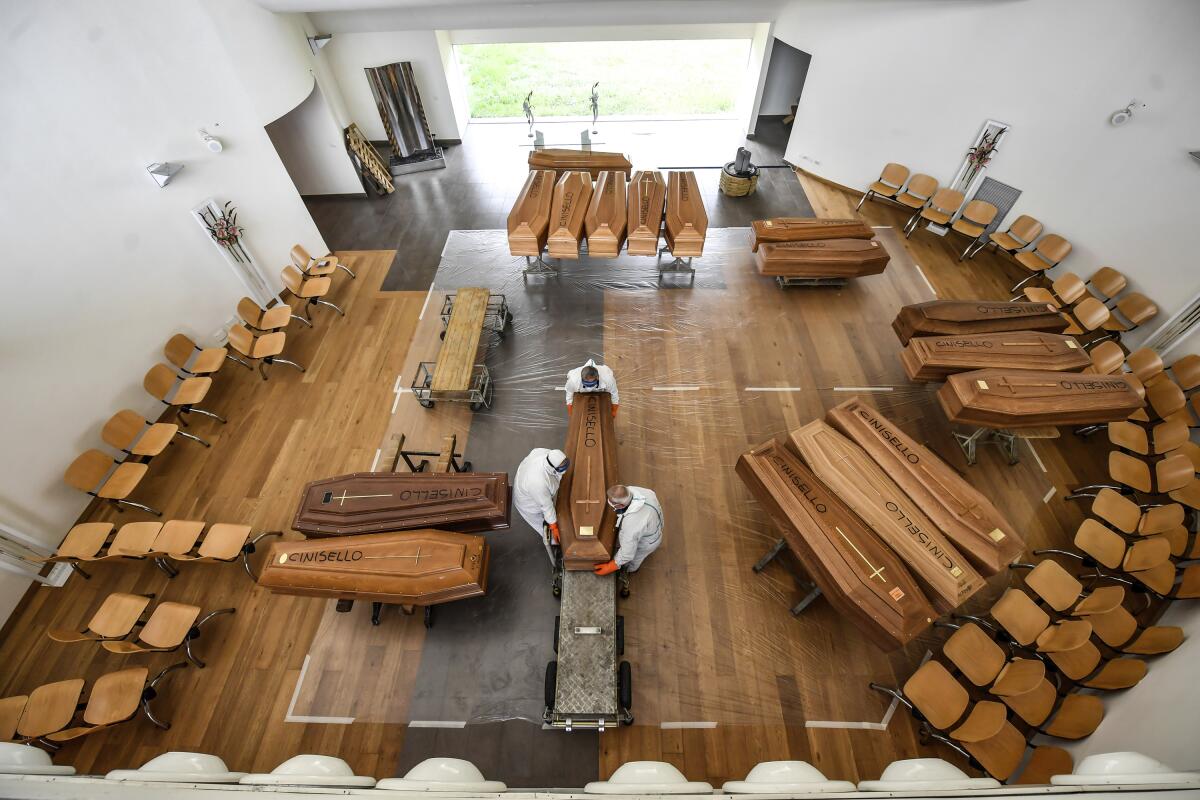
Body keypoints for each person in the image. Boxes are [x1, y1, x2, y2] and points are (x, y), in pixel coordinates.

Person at [513, 448, 570, 566]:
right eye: (562, 468)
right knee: (544, 525)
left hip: (529, 484)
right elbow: (546, 506)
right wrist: (554, 526)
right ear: (552, 468)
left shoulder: (544, 453)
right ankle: (557, 544)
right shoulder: (538, 482)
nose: (565, 469)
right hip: (528, 503)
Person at [593, 484, 663, 576]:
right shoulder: (635, 491)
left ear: (621, 505)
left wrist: (612, 565)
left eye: (613, 504)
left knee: (635, 559)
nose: (611, 505)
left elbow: (627, 553)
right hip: (654, 524)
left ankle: (631, 570)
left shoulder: (632, 524)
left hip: (648, 542)